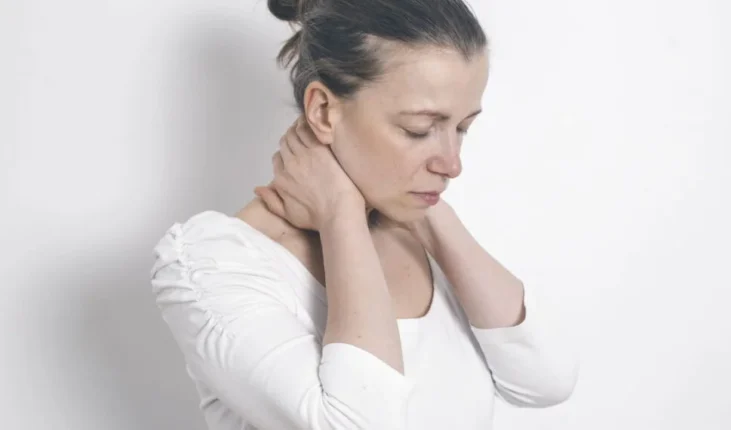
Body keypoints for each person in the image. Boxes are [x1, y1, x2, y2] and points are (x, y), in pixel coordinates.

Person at [150, 0, 579, 428]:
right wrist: (340, 213)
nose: (452, 164)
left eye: (462, 127)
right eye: (418, 130)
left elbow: (546, 381)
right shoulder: (214, 262)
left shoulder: (416, 228)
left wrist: (430, 217)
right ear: (323, 111)